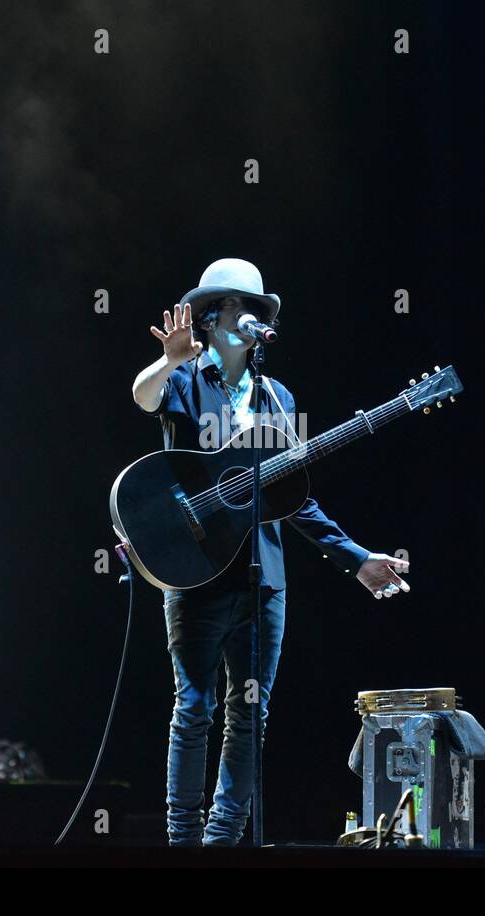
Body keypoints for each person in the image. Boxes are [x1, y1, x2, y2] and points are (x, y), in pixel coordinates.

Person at [131, 257, 410, 845]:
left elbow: (296, 497)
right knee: (195, 708)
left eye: (255, 308)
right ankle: (182, 844)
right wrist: (168, 360)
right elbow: (143, 396)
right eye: (235, 307)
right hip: (198, 572)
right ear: (208, 319)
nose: (249, 317)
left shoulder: (278, 398)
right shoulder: (185, 380)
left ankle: (223, 840)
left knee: (249, 714)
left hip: (264, 578)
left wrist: (356, 557)